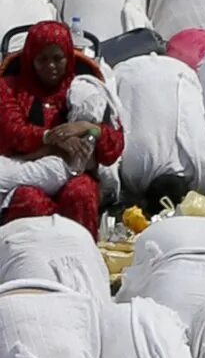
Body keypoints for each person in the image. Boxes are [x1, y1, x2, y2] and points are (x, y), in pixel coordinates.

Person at [0, 22, 123, 232]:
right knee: (29, 200)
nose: (51, 66)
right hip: (27, 172)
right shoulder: (10, 88)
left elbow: (113, 144)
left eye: (58, 58)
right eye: (42, 59)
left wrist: (86, 128)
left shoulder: (85, 89)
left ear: (69, 56)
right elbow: (12, 132)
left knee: (81, 194)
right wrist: (53, 139)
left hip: (75, 175)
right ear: (30, 59)